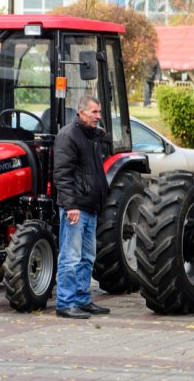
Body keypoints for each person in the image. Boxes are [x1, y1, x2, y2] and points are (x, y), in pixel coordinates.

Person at [53, 95, 110, 319]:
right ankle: (65, 303)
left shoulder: (93, 137)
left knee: (87, 257)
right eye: (94, 112)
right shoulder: (68, 136)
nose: (98, 116)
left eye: (99, 112)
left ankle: (81, 299)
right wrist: (71, 206)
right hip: (75, 209)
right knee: (71, 256)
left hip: (90, 207)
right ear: (81, 112)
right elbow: (62, 175)